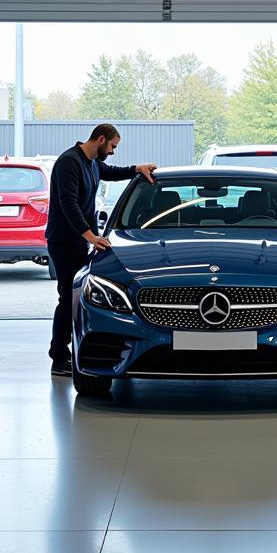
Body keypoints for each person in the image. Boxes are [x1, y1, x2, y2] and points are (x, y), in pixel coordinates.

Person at [46, 123, 157, 376]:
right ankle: (59, 358)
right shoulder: (69, 162)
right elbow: (68, 203)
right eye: (113, 146)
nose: (114, 151)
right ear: (101, 139)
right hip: (64, 241)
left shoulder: (93, 162)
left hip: (79, 239)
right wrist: (91, 236)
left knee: (71, 298)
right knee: (68, 298)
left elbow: (110, 171)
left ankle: (66, 354)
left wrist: (136, 169)